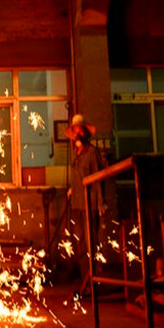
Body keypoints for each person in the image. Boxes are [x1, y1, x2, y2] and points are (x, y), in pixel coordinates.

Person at [65, 114, 107, 282]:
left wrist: (101, 202)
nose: (77, 133)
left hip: (90, 204)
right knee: (80, 243)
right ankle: (86, 280)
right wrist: (72, 189)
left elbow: (98, 177)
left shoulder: (92, 152)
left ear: (85, 133)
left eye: (80, 130)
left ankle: (95, 280)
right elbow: (77, 176)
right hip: (77, 204)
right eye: (75, 130)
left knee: (91, 243)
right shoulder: (75, 153)